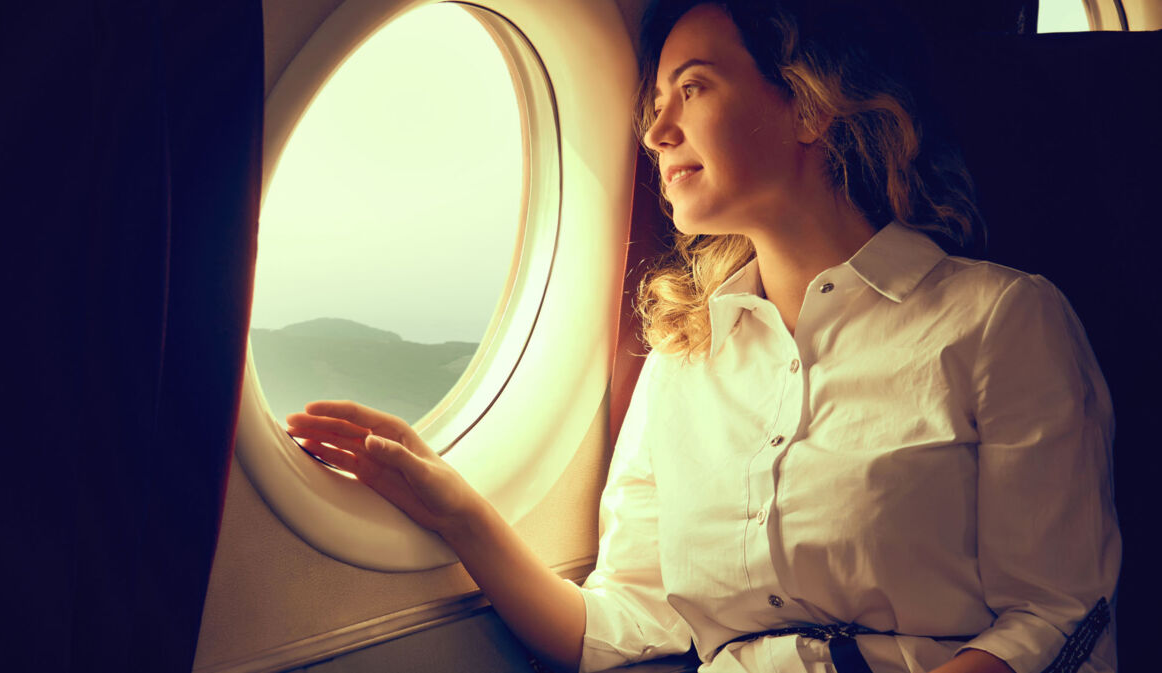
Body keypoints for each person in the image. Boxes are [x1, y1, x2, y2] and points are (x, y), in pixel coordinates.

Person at [285, 1, 1120, 672]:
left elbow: (1053, 616)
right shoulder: (686, 360)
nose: (656, 132)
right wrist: (453, 506)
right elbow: (623, 622)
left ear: (808, 105)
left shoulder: (998, 322)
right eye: (655, 105)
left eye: (694, 88)